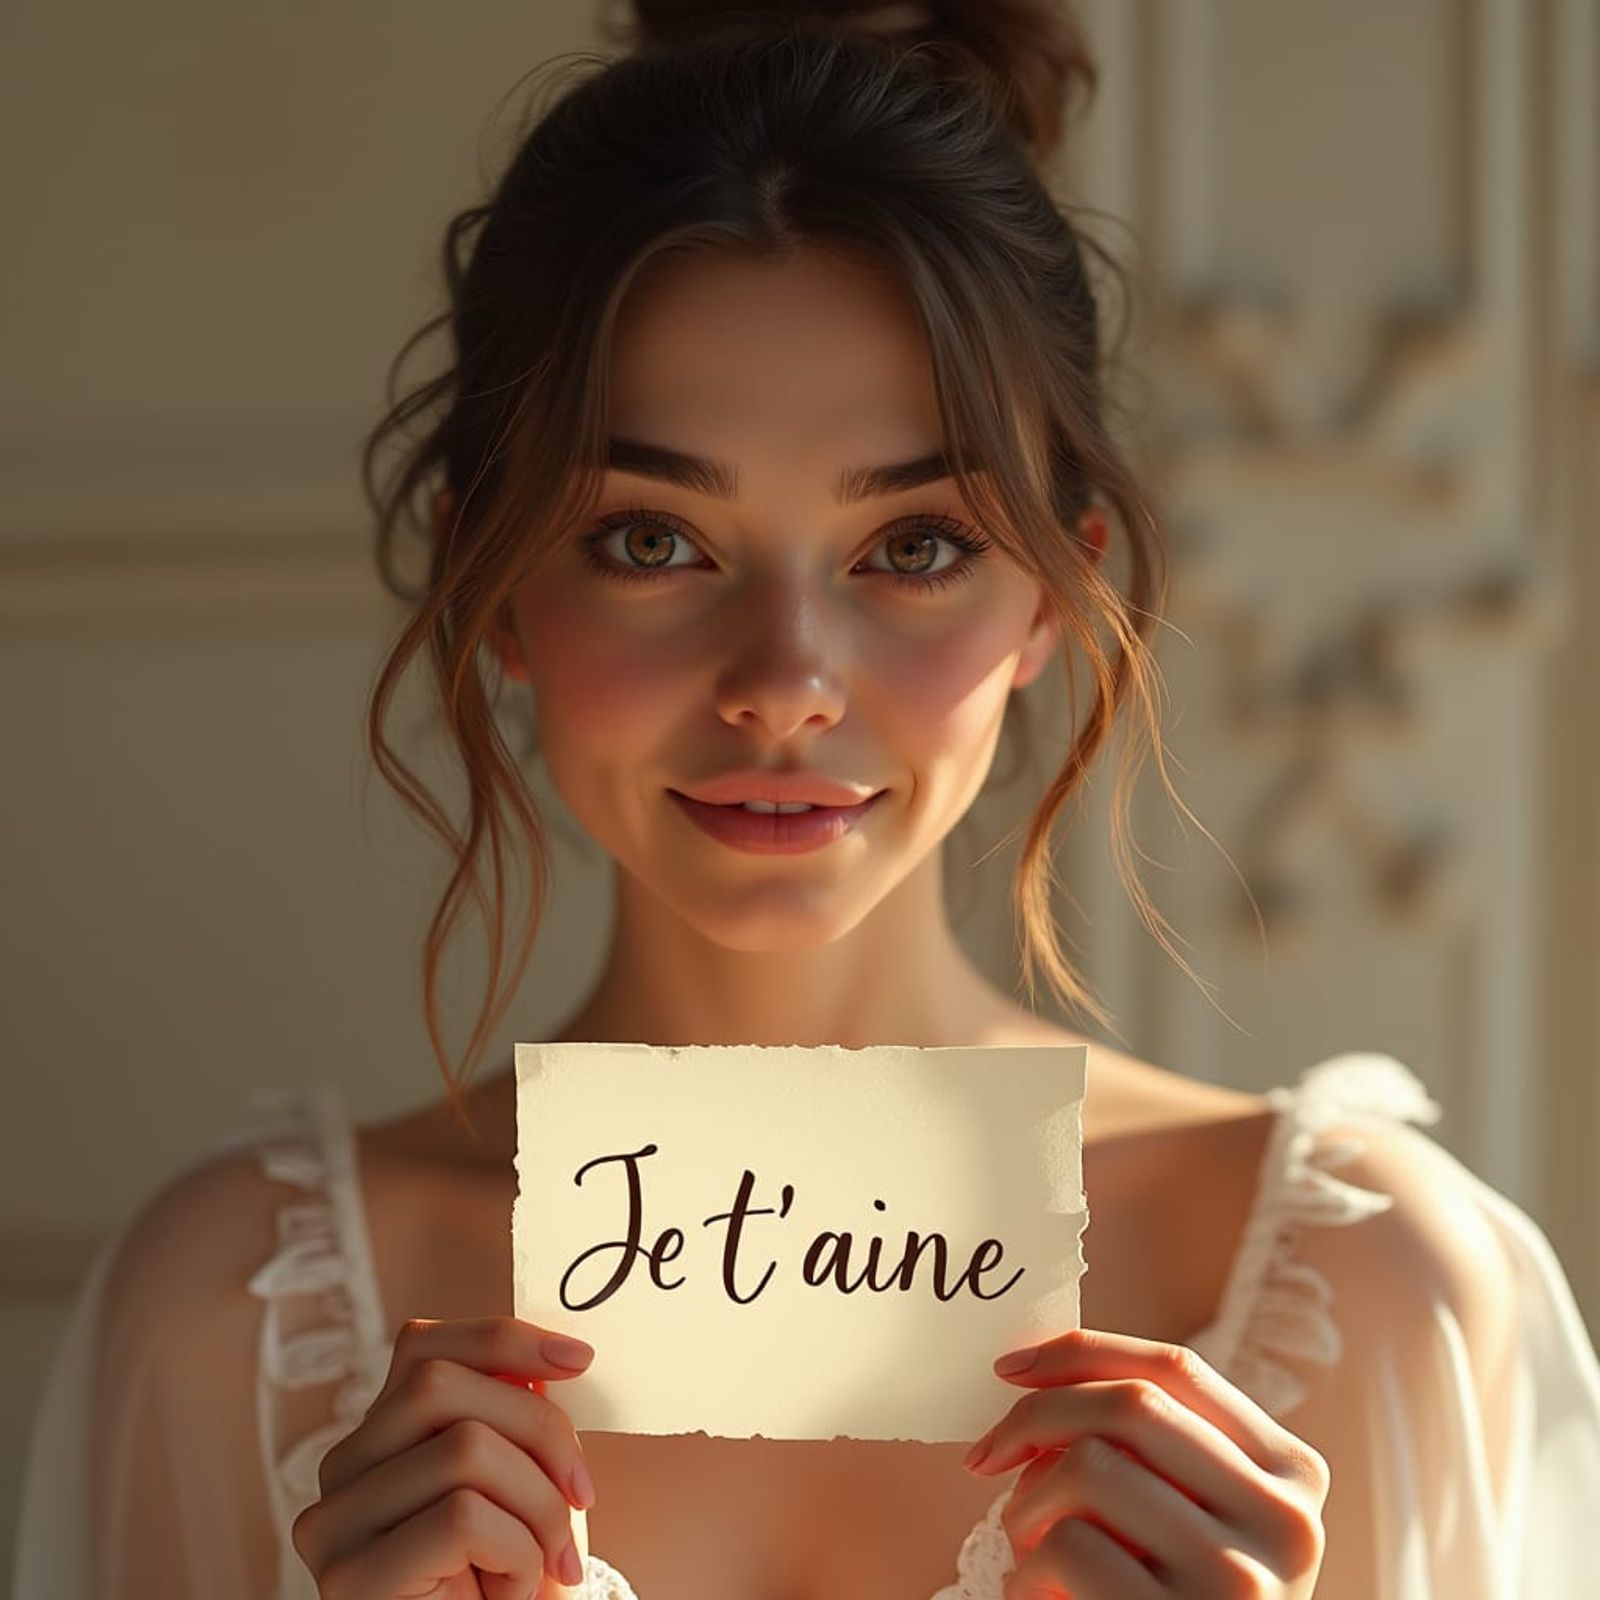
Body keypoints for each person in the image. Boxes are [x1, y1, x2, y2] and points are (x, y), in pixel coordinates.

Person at [13, 2, 1600, 1597]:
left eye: (915, 546)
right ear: (489, 580)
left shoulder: (1390, 1295)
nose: (784, 682)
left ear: (1056, 594)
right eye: (652, 541)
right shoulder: (228, 1319)